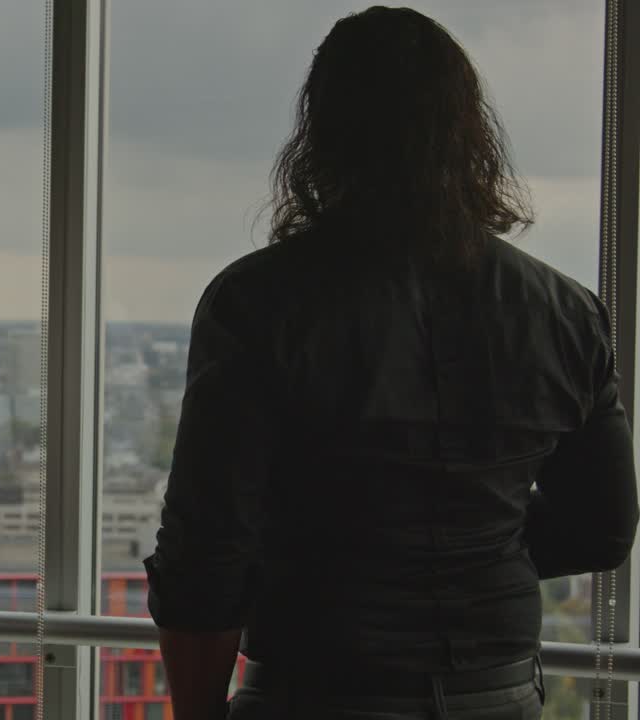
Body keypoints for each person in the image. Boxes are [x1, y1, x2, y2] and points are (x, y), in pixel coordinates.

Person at [145, 7, 638, 720]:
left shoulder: (258, 304)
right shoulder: (566, 312)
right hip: (497, 693)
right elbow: (604, 527)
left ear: (322, 135)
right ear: (469, 133)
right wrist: (482, 541)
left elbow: (206, 548)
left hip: (318, 688)